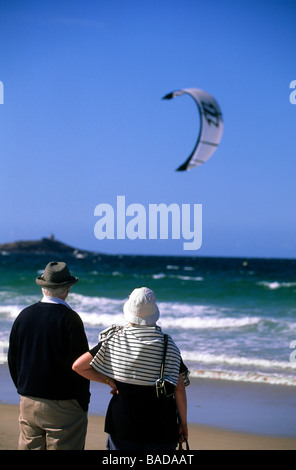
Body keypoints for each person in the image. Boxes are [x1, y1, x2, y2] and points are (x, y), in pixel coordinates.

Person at [73, 287, 190, 451]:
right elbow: (179, 387)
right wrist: (183, 424)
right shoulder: (167, 344)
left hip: (123, 423)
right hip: (162, 427)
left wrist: (108, 381)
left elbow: (79, 366)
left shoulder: (114, 339)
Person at [8, 261, 91, 450]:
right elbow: (80, 365)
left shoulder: (24, 315)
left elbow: (13, 359)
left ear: (43, 287)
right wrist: (82, 402)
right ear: (67, 289)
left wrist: (23, 388)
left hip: (28, 399)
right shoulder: (70, 319)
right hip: (63, 403)